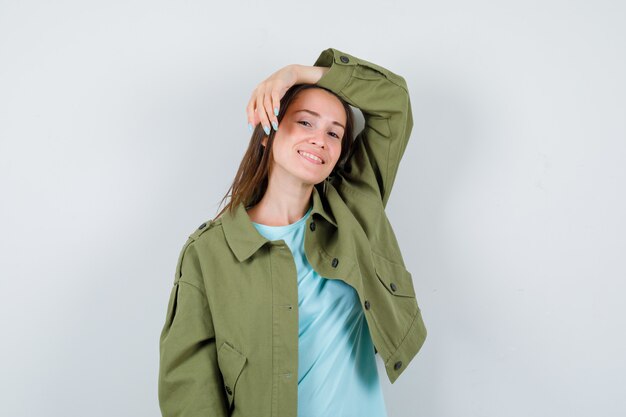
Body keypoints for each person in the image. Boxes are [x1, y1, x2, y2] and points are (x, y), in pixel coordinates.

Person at [158, 47, 427, 417]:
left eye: (335, 133)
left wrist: (298, 73)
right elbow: (189, 391)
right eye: (305, 122)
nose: (321, 139)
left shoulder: (355, 208)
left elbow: (394, 101)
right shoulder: (209, 253)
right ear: (268, 130)